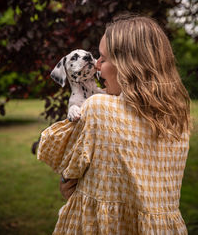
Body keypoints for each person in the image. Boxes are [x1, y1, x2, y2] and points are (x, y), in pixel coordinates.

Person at [38, 14, 190, 234]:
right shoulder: (178, 118)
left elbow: (66, 167)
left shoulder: (99, 108)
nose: (97, 66)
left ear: (129, 66)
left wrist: (65, 179)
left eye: (103, 58)